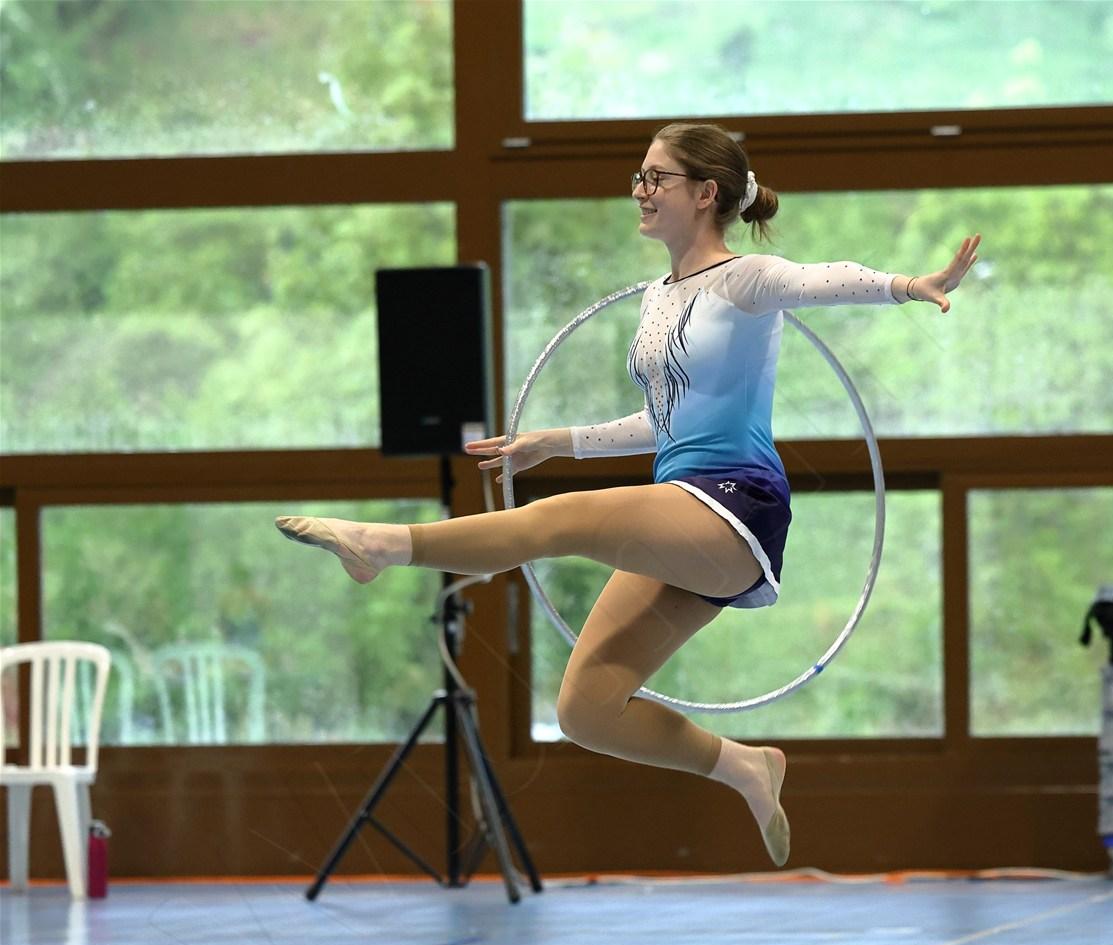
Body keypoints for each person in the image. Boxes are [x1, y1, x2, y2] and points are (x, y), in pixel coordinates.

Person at [276, 122, 981, 868]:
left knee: (562, 520)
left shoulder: (745, 280)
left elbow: (823, 279)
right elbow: (663, 420)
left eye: (656, 178)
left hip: (736, 505)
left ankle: (383, 546)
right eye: (639, 176)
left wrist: (912, 286)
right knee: (586, 710)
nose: (640, 191)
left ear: (706, 194)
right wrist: (558, 441)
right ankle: (745, 766)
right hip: (681, 505)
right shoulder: (657, 298)